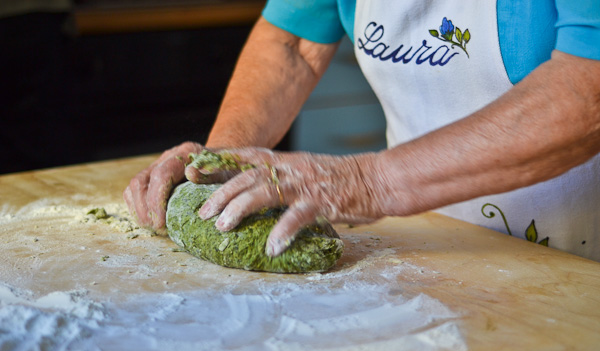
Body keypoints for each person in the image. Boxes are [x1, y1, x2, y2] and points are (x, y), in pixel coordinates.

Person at [124, 1, 600, 261]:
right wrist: (221, 162)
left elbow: (586, 95)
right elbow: (291, 41)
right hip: (439, 250)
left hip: (583, 264)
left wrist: (370, 181)